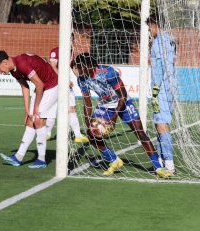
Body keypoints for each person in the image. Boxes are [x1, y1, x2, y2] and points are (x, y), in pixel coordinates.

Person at [72, 52, 172, 178]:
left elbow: (123, 95)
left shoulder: (108, 72)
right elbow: (87, 103)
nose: (77, 70)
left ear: (88, 65)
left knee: (140, 133)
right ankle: (114, 160)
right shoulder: (82, 79)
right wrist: (88, 123)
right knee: (91, 135)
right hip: (105, 105)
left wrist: (114, 118)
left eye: (80, 67)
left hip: (123, 102)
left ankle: (158, 168)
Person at [0, 50, 58, 169]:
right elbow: (25, 87)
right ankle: (18, 158)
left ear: (5, 62)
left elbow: (40, 85)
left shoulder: (21, 64)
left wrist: (36, 107)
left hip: (53, 85)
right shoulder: (14, 71)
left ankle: (42, 160)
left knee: (38, 119)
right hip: (43, 87)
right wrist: (27, 110)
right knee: (30, 120)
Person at [147, 17, 176, 174]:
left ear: (155, 25)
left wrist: (156, 87)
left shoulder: (160, 41)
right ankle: (161, 161)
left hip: (162, 88)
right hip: (169, 87)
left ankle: (169, 165)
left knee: (161, 124)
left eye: (150, 28)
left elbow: (161, 65)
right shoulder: (169, 39)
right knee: (160, 123)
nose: (149, 31)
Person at [46, 46, 88, 144]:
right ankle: (47, 134)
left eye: (72, 38)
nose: (71, 41)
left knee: (71, 109)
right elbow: (52, 66)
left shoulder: (71, 52)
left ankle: (77, 135)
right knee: (52, 109)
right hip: (54, 83)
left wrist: (80, 75)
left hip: (65, 84)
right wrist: (64, 79)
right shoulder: (55, 51)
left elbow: (72, 67)